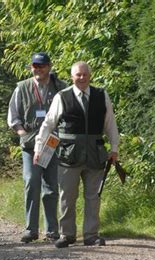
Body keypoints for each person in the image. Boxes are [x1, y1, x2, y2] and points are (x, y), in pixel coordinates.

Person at [34, 61, 119, 248]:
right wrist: (38, 148)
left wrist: (114, 148)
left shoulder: (101, 95)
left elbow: (110, 124)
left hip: (95, 154)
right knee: (67, 196)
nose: (81, 78)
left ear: (90, 76)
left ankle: (91, 235)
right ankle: (67, 234)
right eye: (78, 75)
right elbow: (48, 124)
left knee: (93, 197)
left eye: (84, 74)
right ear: (72, 77)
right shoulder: (61, 97)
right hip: (68, 155)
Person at [7, 52, 68, 243]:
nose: (38, 69)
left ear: (49, 67)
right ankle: (30, 229)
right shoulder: (22, 87)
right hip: (31, 144)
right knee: (31, 183)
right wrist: (22, 133)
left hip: (52, 143)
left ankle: (51, 231)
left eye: (41, 65)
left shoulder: (61, 87)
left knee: (51, 187)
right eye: (35, 65)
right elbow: (13, 115)